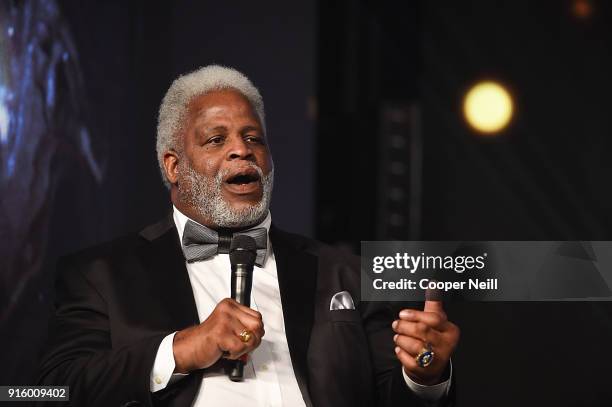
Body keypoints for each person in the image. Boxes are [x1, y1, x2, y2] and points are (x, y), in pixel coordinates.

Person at [37, 65, 460, 407]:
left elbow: (393, 395)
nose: (242, 150)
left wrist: (425, 374)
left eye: (253, 138)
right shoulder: (100, 274)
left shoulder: (344, 273)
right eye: (216, 140)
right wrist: (181, 349)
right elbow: (49, 391)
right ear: (173, 167)